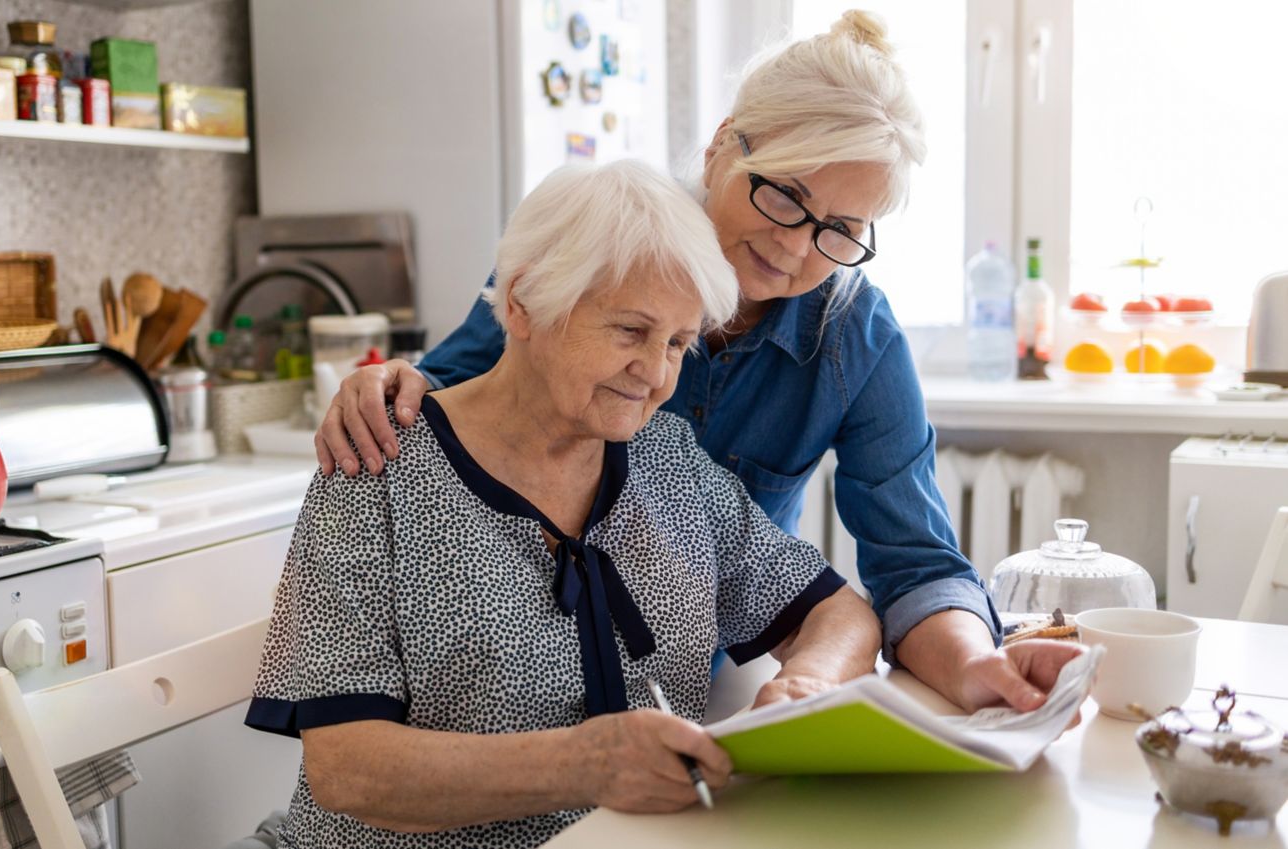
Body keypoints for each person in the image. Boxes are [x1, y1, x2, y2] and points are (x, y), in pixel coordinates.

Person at [313, 10, 1084, 714]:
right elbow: (452, 398)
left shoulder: (855, 337)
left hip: (692, 683)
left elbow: (914, 564)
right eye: (784, 194)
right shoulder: (593, 247)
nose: (791, 245)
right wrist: (386, 385)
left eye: (838, 228)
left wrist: (976, 663)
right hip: (506, 683)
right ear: (722, 145)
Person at [245, 159, 880, 847]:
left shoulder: (667, 459)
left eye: (677, 342)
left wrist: (808, 685)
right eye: (630, 331)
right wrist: (583, 764)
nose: (656, 373)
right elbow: (347, 768)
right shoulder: (378, 465)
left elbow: (835, 611)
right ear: (521, 302)